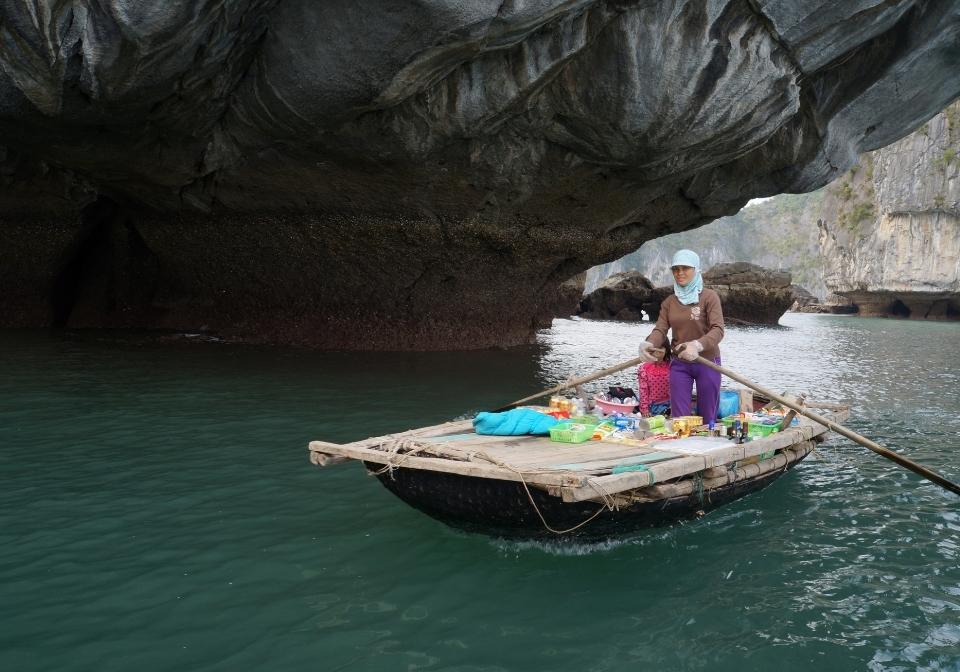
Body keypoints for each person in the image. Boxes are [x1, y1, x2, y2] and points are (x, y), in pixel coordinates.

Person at [637, 250, 725, 424]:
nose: (680, 273)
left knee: (708, 417)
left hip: (707, 361)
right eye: (676, 269)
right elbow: (660, 330)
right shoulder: (669, 302)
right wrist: (648, 343)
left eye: (686, 268)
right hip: (680, 364)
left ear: (696, 270)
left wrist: (697, 346)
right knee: (680, 420)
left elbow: (718, 330)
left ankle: (707, 446)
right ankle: (684, 448)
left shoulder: (709, 297)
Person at [637, 344, 670, 417]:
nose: (658, 350)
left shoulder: (672, 366)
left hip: (671, 403)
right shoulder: (644, 368)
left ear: (666, 349)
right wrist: (645, 409)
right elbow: (643, 390)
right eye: (655, 347)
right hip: (653, 405)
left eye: (660, 347)